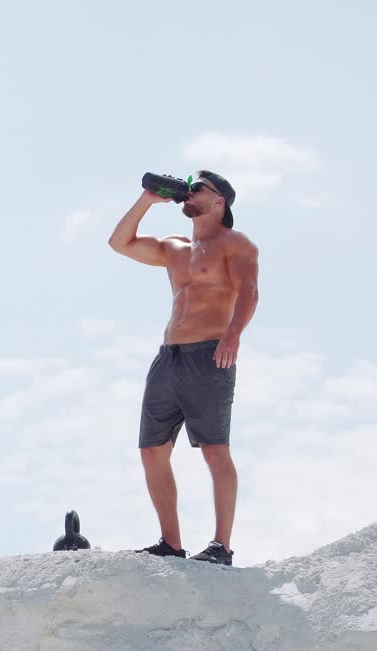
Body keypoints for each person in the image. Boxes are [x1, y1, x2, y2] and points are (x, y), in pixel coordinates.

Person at [107, 170, 259, 566]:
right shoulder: (175, 247)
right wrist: (147, 201)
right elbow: (118, 243)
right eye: (187, 188)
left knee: (214, 451)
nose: (188, 193)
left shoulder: (234, 243)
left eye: (198, 189)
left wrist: (233, 335)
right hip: (168, 358)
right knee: (151, 450)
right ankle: (171, 544)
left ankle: (221, 547)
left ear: (219, 201)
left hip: (210, 355)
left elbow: (249, 291)